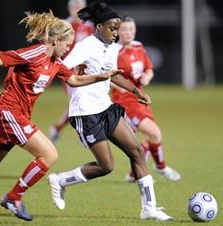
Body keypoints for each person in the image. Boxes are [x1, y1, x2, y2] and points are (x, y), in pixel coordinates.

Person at [0, 11, 122, 223]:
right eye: (67, 44)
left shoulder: (56, 63)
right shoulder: (35, 54)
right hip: (8, 112)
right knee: (49, 154)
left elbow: (73, 80)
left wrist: (101, 76)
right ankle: (13, 198)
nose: (68, 49)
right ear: (55, 40)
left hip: (11, 117)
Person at [47, 2, 173, 221]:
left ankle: (149, 208)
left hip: (105, 108)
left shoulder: (110, 47)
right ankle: (60, 180)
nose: (115, 33)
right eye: (112, 28)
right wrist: (84, 76)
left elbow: (112, 74)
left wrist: (135, 91)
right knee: (106, 166)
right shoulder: (86, 46)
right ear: (98, 27)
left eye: (117, 29)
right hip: (85, 113)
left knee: (136, 151)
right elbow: (62, 68)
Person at [111, 16, 181, 182]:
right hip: (124, 101)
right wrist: (123, 87)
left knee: (148, 138)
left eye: (131, 29)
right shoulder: (112, 51)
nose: (128, 33)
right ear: (118, 31)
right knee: (154, 133)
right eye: (124, 29)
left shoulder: (138, 47)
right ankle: (161, 167)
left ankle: (134, 174)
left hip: (140, 99)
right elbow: (108, 77)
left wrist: (146, 78)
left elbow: (149, 69)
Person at [50, 0, 95, 143]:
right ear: (69, 9)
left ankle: (58, 128)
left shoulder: (89, 26)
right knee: (79, 102)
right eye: (74, 7)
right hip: (68, 70)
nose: (77, 10)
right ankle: (84, 133)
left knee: (81, 102)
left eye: (80, 7)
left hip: (85, 71)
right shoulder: (63, 26)